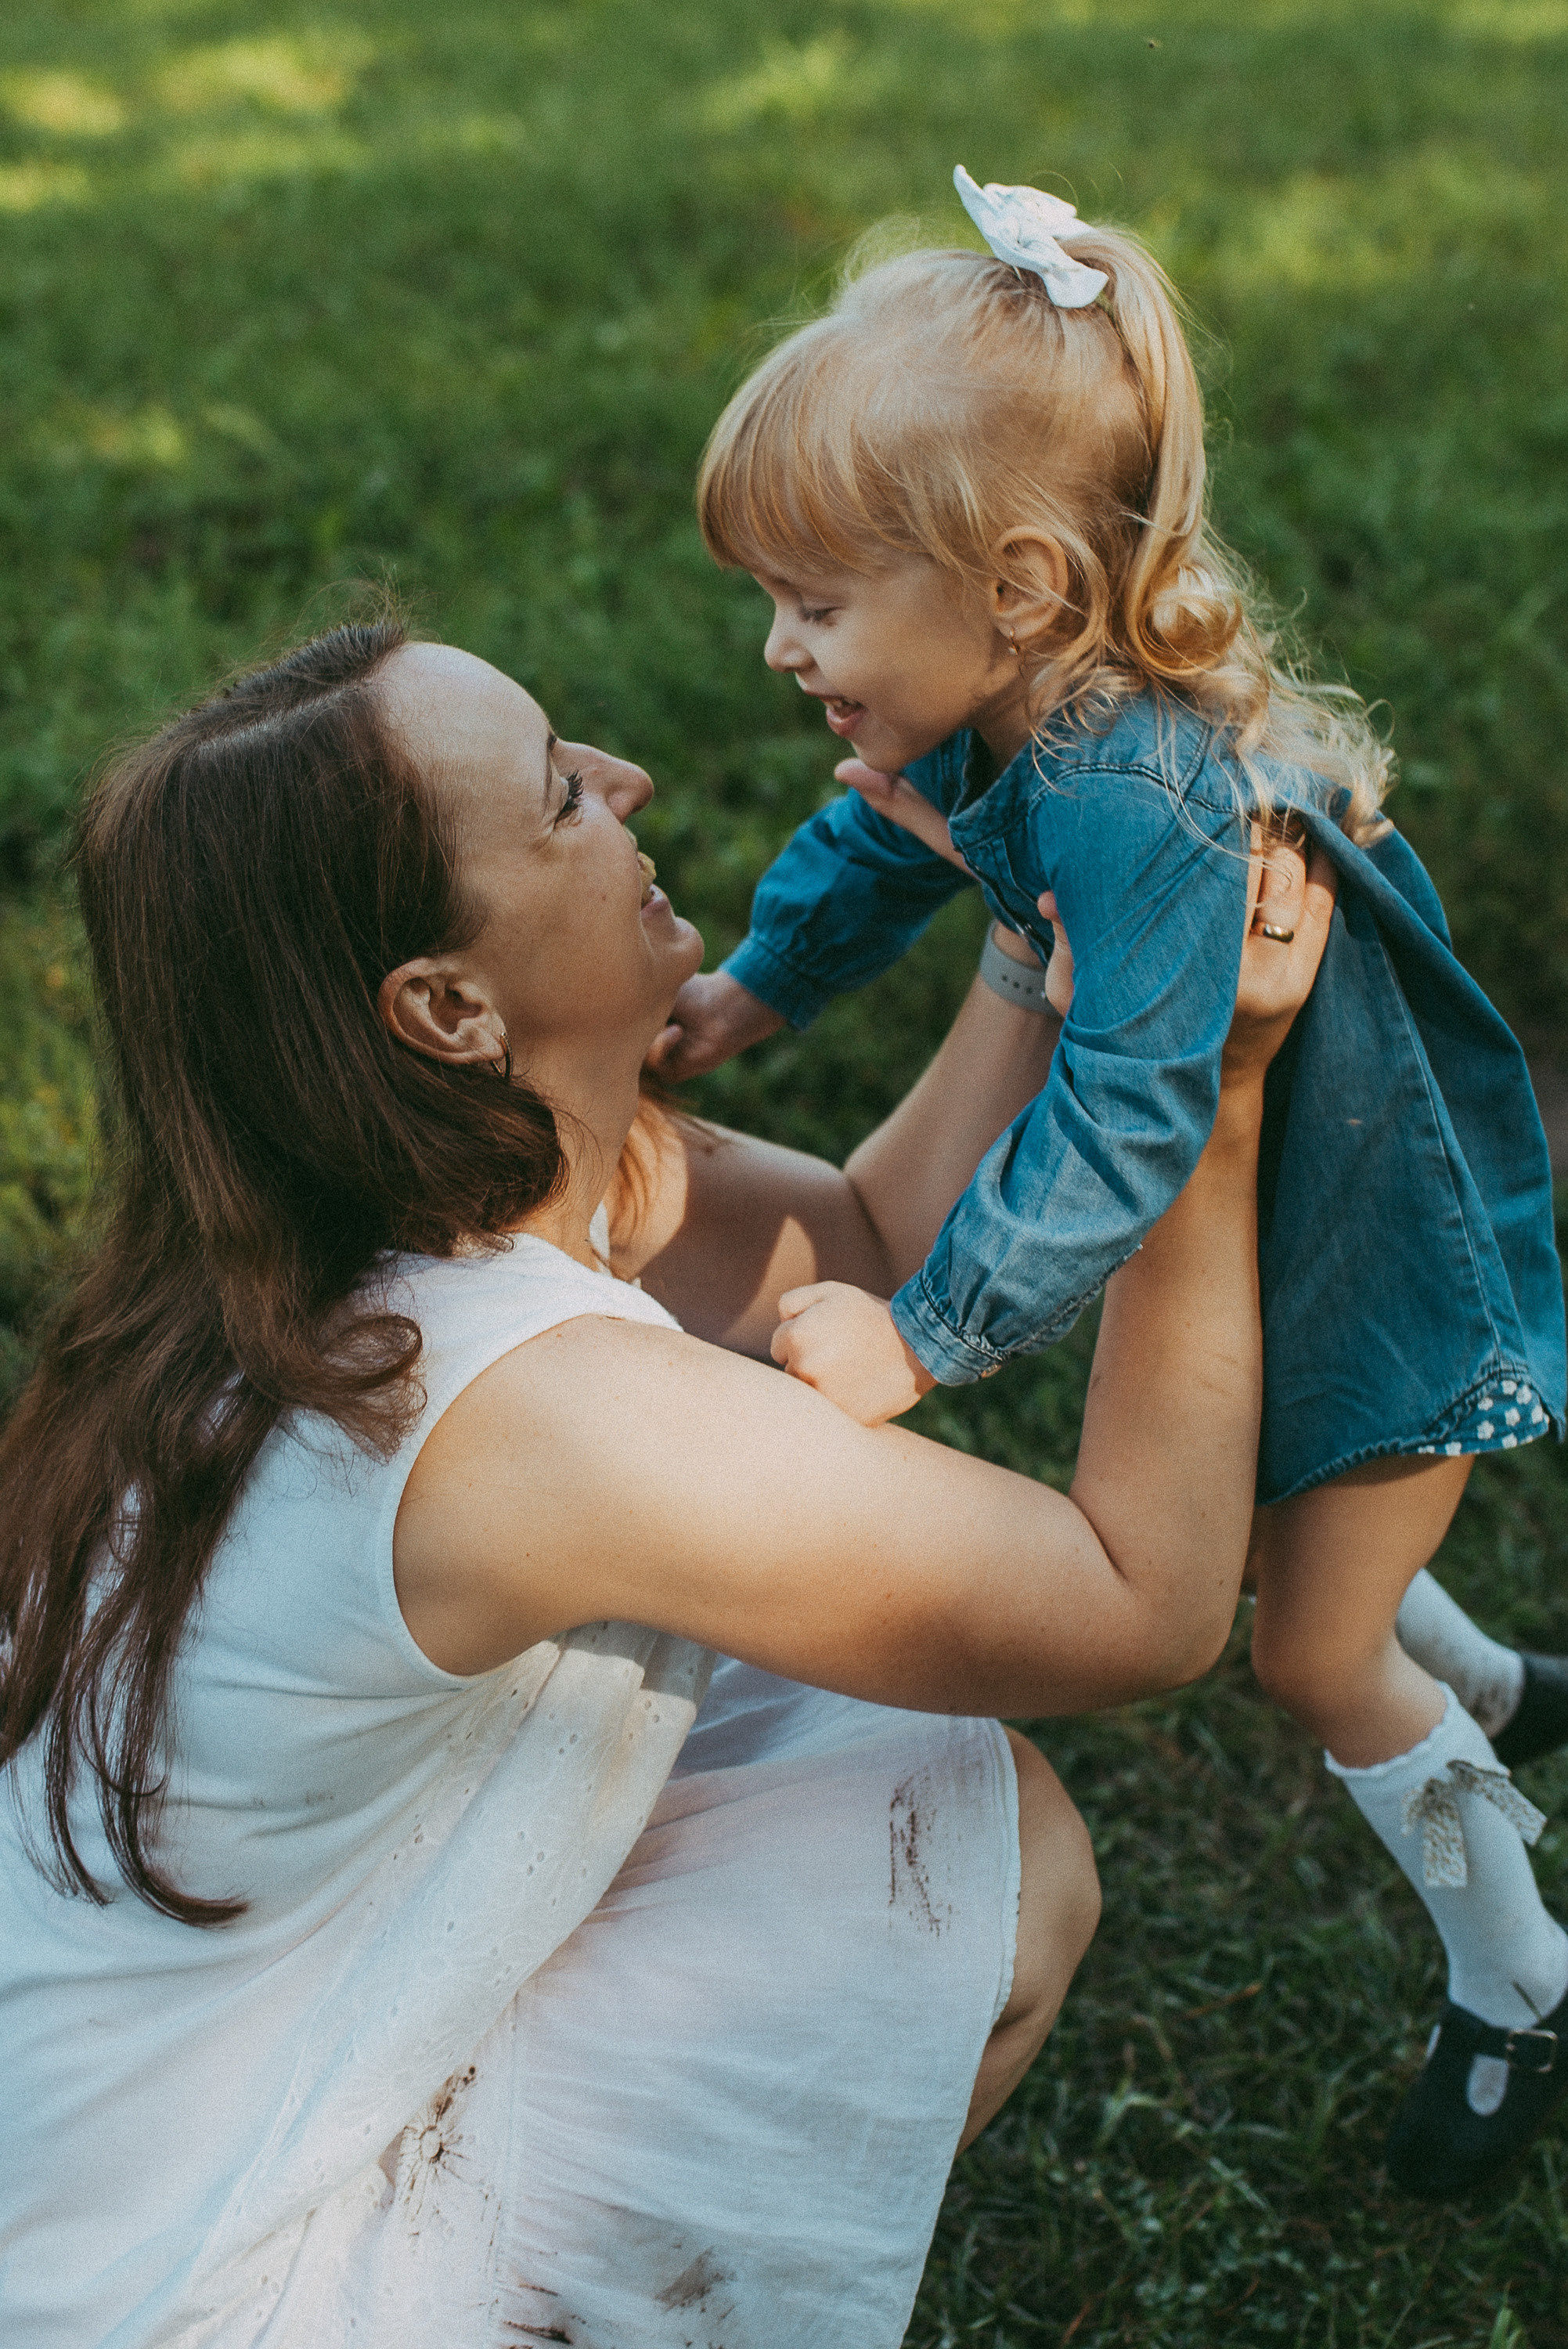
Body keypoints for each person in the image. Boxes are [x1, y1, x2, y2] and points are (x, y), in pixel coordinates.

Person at [0, 622, 1324, 2349]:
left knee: (965, 1817)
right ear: (448, 1008)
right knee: (979, 1854)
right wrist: (1201, 1092)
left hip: (114, 2093)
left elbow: (848, 1250)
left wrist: (1042, 909)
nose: (628, 784)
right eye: (559, 794)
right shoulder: (527, 1412)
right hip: (168, 2280)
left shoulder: (381, 1199)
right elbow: (1137, 1601)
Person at [653, 165, 1568, 2197]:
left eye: (813, 604)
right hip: (1286, 1195)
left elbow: (1135, 1118)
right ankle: (1509, 1686)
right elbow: (884, 832)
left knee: (1311, 1647)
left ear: (1022, 594)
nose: (775, 648)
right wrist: (748, 991)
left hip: (1361, 1208)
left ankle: (1518, 1973)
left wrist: (923, 1334)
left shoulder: (1136, 805)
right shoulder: (994, 707)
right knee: (1298, 1508)